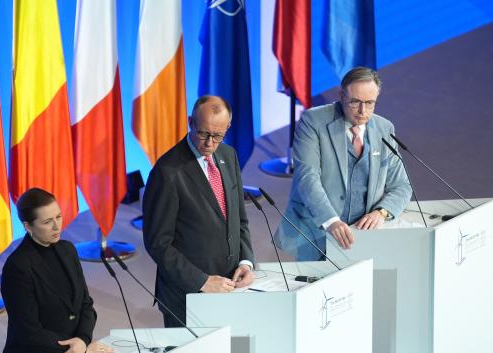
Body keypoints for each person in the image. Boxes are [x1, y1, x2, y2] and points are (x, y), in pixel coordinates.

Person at [275, 67, 412, 260]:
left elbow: (401, 186)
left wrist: (382, 213)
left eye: (370, 103)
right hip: (317, 232)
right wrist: (331, 221)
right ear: (341, 95)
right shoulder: (313, 121)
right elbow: (307, 177)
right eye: (355, 102)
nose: (362, 111)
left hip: (364, 237)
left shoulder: (384, 128)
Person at [142, 95, 255, 327]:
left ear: (228, 128)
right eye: (203, 133)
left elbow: (237, 219)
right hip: (187, 296)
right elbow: (158, 244)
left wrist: (246, 261)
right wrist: (201, 281)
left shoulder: (228, 155)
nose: (209, 143)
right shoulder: (168, 172)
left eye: (218, 136)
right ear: (190, 122)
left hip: (230, 286)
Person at [1, 188, 113, 353]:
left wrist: (82, 340)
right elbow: (28, 330)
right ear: (27, 226)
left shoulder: (67, 249)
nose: (57, 226)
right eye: (47, 221)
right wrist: (76, 348)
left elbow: (85, 304)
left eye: (59, 217)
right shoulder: (18, 267)